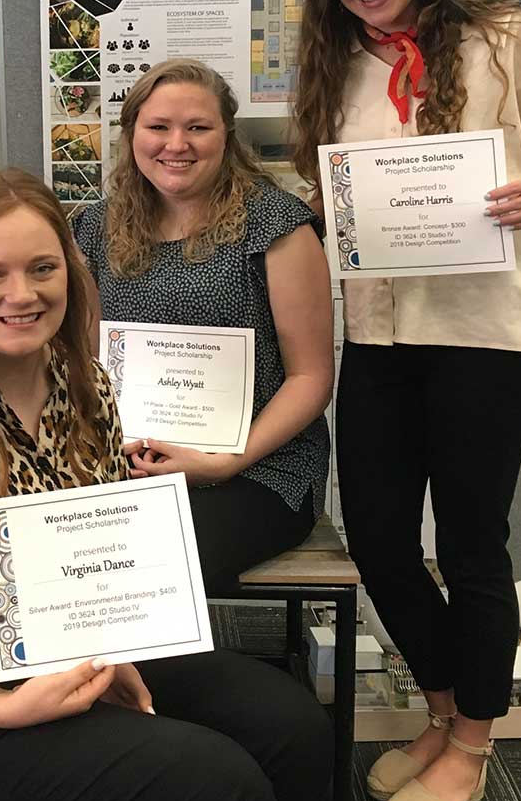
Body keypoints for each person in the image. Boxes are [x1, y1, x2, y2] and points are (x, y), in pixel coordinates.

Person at [0, 169, 332, 801]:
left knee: (290, 727)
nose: (21, 294)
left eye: (41, 268)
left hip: (60, 648)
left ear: (70, 274)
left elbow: (98, 557)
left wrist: (116, 651)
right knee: (215, 782)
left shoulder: (84, 386)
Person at [292, 0, 521, 801]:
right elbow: (332, 185)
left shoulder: (502, 34)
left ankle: (474, 740)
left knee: (470, 546)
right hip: (380, 330)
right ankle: (441, 707)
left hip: (488, 333)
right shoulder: (335, 59)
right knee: (376, 537)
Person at [73, 59, 333, 592]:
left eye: (198, 127)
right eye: (159, 127)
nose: (177, 144)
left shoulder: (277, 225)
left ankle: (162, 680)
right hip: (132, 460)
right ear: (132, 134)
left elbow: (311, 378)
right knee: (59, 558)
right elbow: (87, 357)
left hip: (258, 471)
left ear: (226, 135)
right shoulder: (95, 225)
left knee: (142, 570)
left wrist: (221, 463)